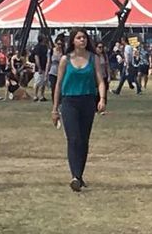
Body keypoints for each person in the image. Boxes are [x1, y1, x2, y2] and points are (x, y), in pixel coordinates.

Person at [51, 28, 106, 192]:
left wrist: (102, 99)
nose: (82, 40)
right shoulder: (65, 60)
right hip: (69, 101)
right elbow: (58, 85)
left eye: (84, 38)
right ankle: (75, 176)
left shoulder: (94, 58)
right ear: (73, 41)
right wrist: (55, 108)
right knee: (73, 138)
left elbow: (100, 80)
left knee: (83, 140)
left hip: (88, 100)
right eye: (79, 38)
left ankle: (79, 176)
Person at [48, 35, 65, 103]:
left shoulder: (63, 52)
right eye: (58, 44)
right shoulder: (51, 51)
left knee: (60, 88)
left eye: (61, 44)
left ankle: (60, 101)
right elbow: (48, 62)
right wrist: (47, 72)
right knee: (53, 88)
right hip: (53, 72)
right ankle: (54, 102)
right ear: (55, 44)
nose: (59, 46)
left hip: (61, 72)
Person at [32, 34, 49, 102]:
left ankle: (42, 95)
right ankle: (35, 95)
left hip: (45, 67)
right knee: (37, 82)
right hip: (39, 68)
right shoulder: (37, 47)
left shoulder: (45, 47)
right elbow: (36, 57)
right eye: (44, 38)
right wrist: (39, 67)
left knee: (43, 82)